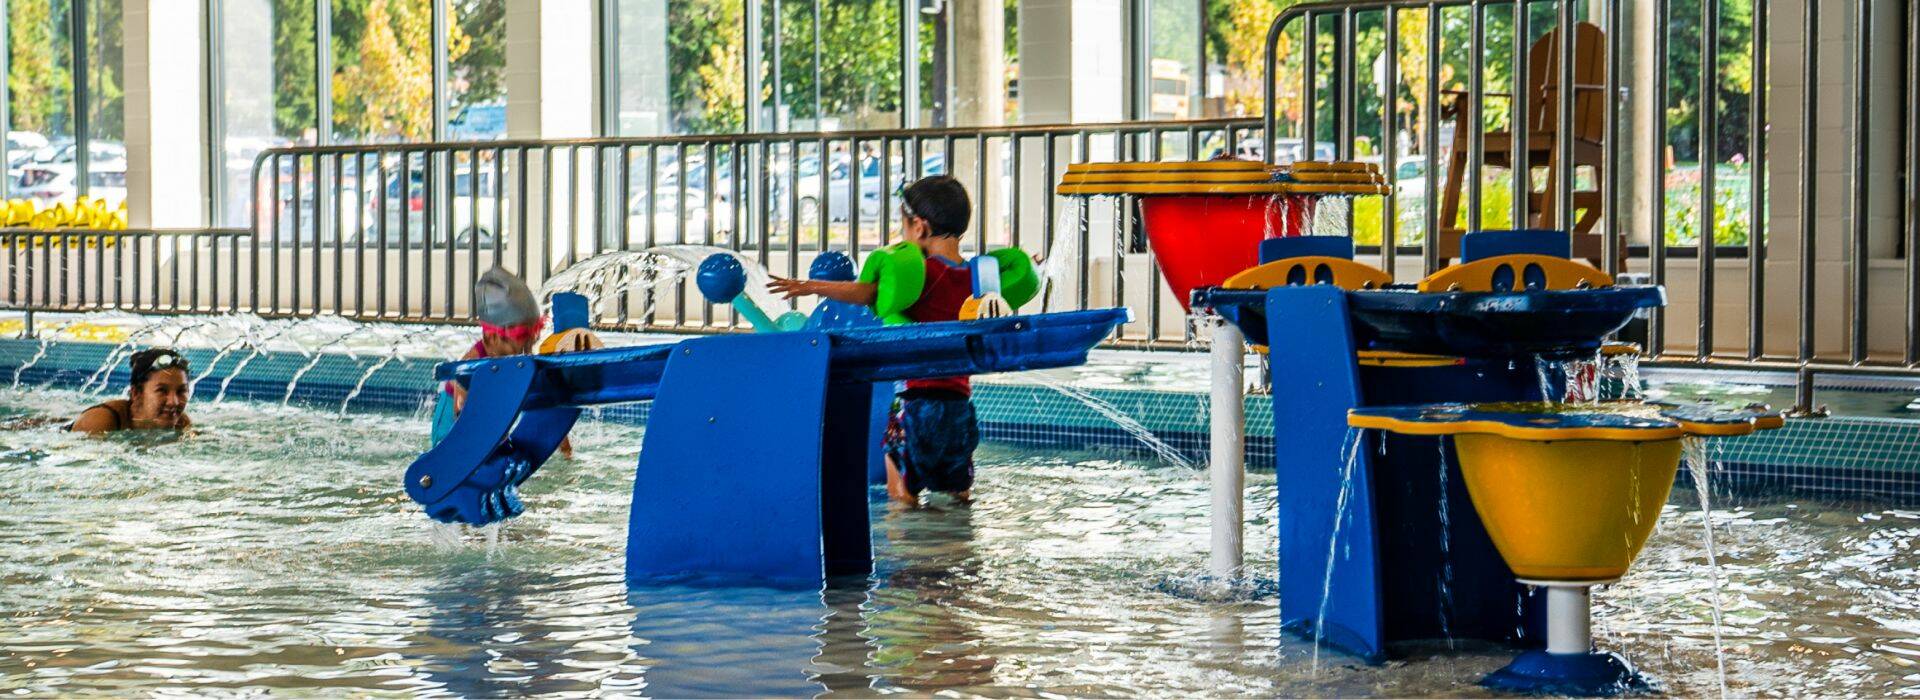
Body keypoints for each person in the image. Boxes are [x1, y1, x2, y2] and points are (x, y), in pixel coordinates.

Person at [768, 175, 979, 506]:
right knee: (959, 495)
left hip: (915, 403)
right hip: (960, 406)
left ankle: (915, 551)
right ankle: (956, 554)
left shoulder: (921, 274)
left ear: (920, 228)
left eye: (903, 225)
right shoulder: (975, 277)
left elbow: (869, 293)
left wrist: (810, 286)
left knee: (903, 497)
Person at [431, 267, 571, 457]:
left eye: (534, 333)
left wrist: (564, 446)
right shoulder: (471, 364)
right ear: (491, 338)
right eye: (523, 335)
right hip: (451, 427)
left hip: (489, 426)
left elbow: (545, 401)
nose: (529, 346)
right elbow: (461, 415)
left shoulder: (519, 357)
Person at [68, 348, 193, 434]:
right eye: (162, 390)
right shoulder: (100, 421)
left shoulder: (181, 423)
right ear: (136, 393)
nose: (174, 402)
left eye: (181, 391)